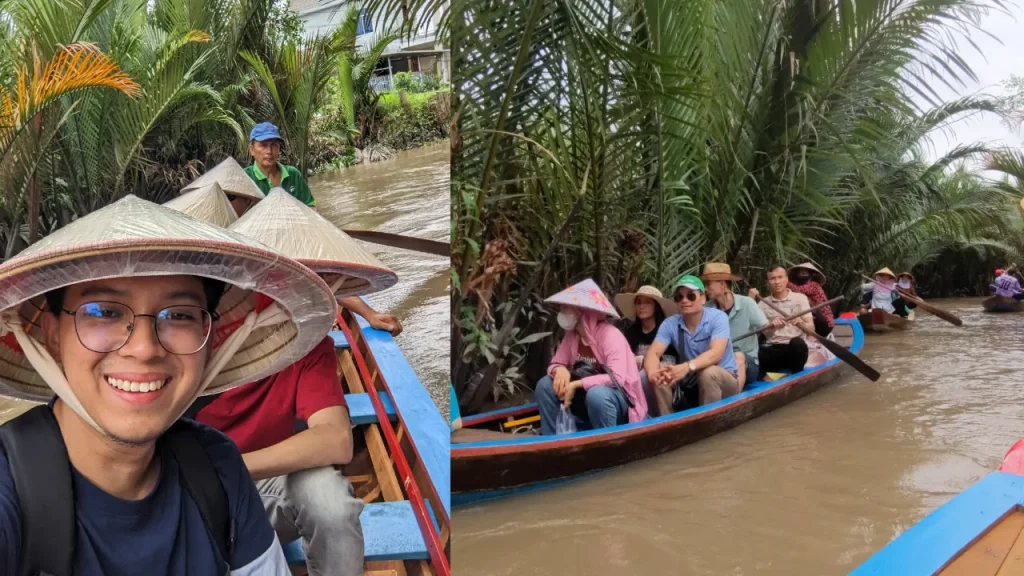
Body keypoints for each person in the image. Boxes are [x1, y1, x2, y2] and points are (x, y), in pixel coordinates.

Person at [0, 195, 339, 574]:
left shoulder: (216, 467)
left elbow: (335, 439)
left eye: (179, 315)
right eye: (103, 312)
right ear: (52, 335)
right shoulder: (9, 497)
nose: (144, 349)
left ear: (211, 341)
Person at [182, 188, 400, 576]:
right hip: (185, 495)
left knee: (329, 499)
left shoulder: (309, 343)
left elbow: (336, 440)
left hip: (258, 486)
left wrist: (230, 467)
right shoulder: (197, 334)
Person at [535, 279, 647, 435]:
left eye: (567, 308)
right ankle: (553, 440)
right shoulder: (572, 336)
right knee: (545, 385)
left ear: (583, 311)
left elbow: (618, 378)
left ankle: (607, 442)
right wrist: (559, 369)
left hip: (619, 401)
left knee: (597, 394)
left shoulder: (610, 335)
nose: (563, 312)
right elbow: (556, 363)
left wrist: (576, 384)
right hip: (585, 400)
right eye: (563, 308)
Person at [644, 275, 740, 415]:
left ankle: (709, 422)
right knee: (661, 372)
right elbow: (654, 353)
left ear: (703, 298)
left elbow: (716, 353)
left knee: (709, 373)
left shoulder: (718, 318)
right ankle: (668, 422)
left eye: (691, 296)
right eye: (679, 297)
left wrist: (687, 367)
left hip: (724, 379)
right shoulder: (670, 323)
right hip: (691, 382)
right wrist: (653, 374)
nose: (684, 300)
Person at [702, 263, 768, 390]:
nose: (705, 289)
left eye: (708, 284)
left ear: (722, 284)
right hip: (719, 361)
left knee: (738, 356)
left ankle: (734, 398)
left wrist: (773, 326)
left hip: (748, 363)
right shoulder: (707, 309)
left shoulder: (747, 303)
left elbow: (767, 330)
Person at [749, 266, 811, 375]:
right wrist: (772, 326)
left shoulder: (800, 298)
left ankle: (796, 375)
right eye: (772, 278)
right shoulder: (762, 304)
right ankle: (768, 376)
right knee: (758, 350)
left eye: (780, 277)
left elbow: (811, 328)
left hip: (794, 350)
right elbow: (763, 332)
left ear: (786, 279)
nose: (777, 282)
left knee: (798, 344)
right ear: (768, 282)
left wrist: (801, 323)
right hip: (773, 348)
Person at [245, 122, 316, 208]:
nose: (269, 151)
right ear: (252, 150)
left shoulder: (293, 174)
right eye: (263, 145)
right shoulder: (245, 177)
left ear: (279, 148)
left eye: (274, 145)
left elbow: (310, 206)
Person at [613, 285, 678, 368]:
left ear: (656, 307)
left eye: (647, 302)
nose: (641, 306)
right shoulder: (631, 331)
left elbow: (670, 362)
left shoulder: (665, 331)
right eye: (638, 302)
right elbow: (625, 358)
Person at [788, 262, 834, 336]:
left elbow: (799, 289)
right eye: (800, 273)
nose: (801, 276)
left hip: (824, 322)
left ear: (811, 275)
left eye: (804, 273)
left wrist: (785, 282)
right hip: (815, 318)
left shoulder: (814, 285)